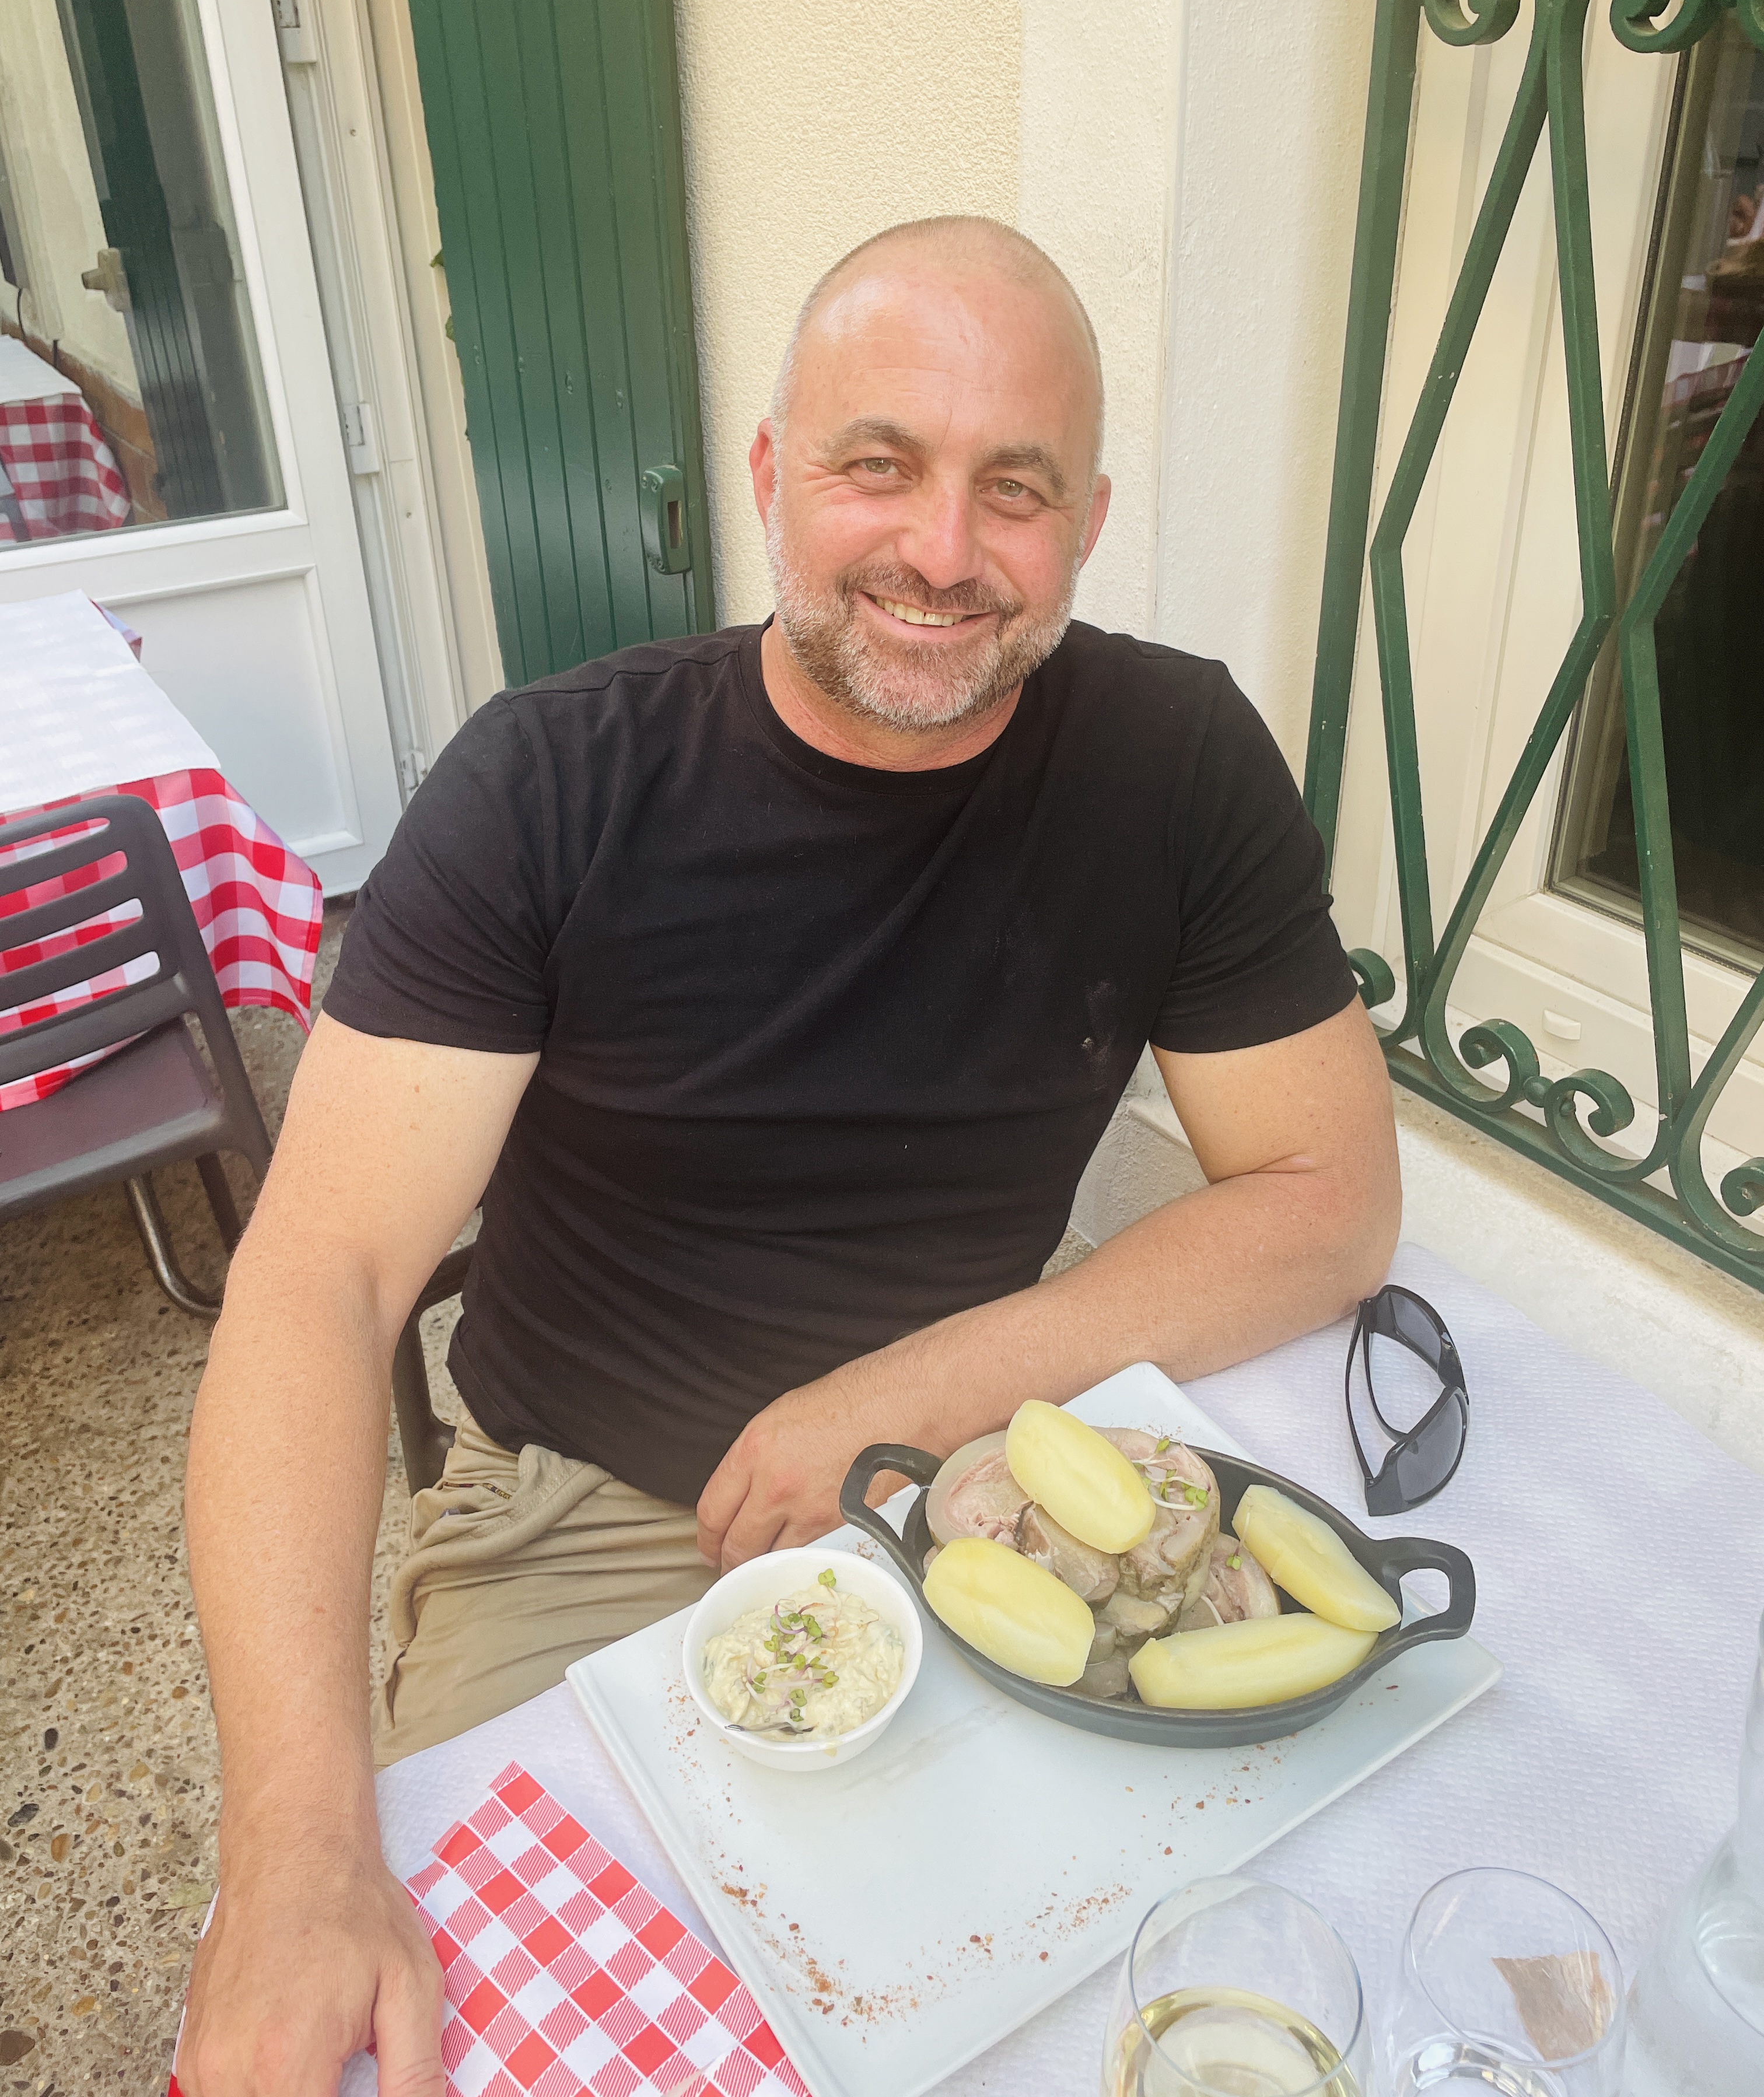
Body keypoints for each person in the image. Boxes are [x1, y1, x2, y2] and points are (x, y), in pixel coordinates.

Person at [176, 216, 1399, 2095]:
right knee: (448, 2031)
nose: (944, 552)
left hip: (983, 1479)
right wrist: (291, 1851)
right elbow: (319, 1279)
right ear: (768, 475)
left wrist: (919, 1395)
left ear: (1087, 520)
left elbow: (1330, 1206)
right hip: (587, 1517)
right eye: (877, 465)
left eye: (1015, 490)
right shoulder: (548, 786)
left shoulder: (1177, 762)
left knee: (1172, 1966)